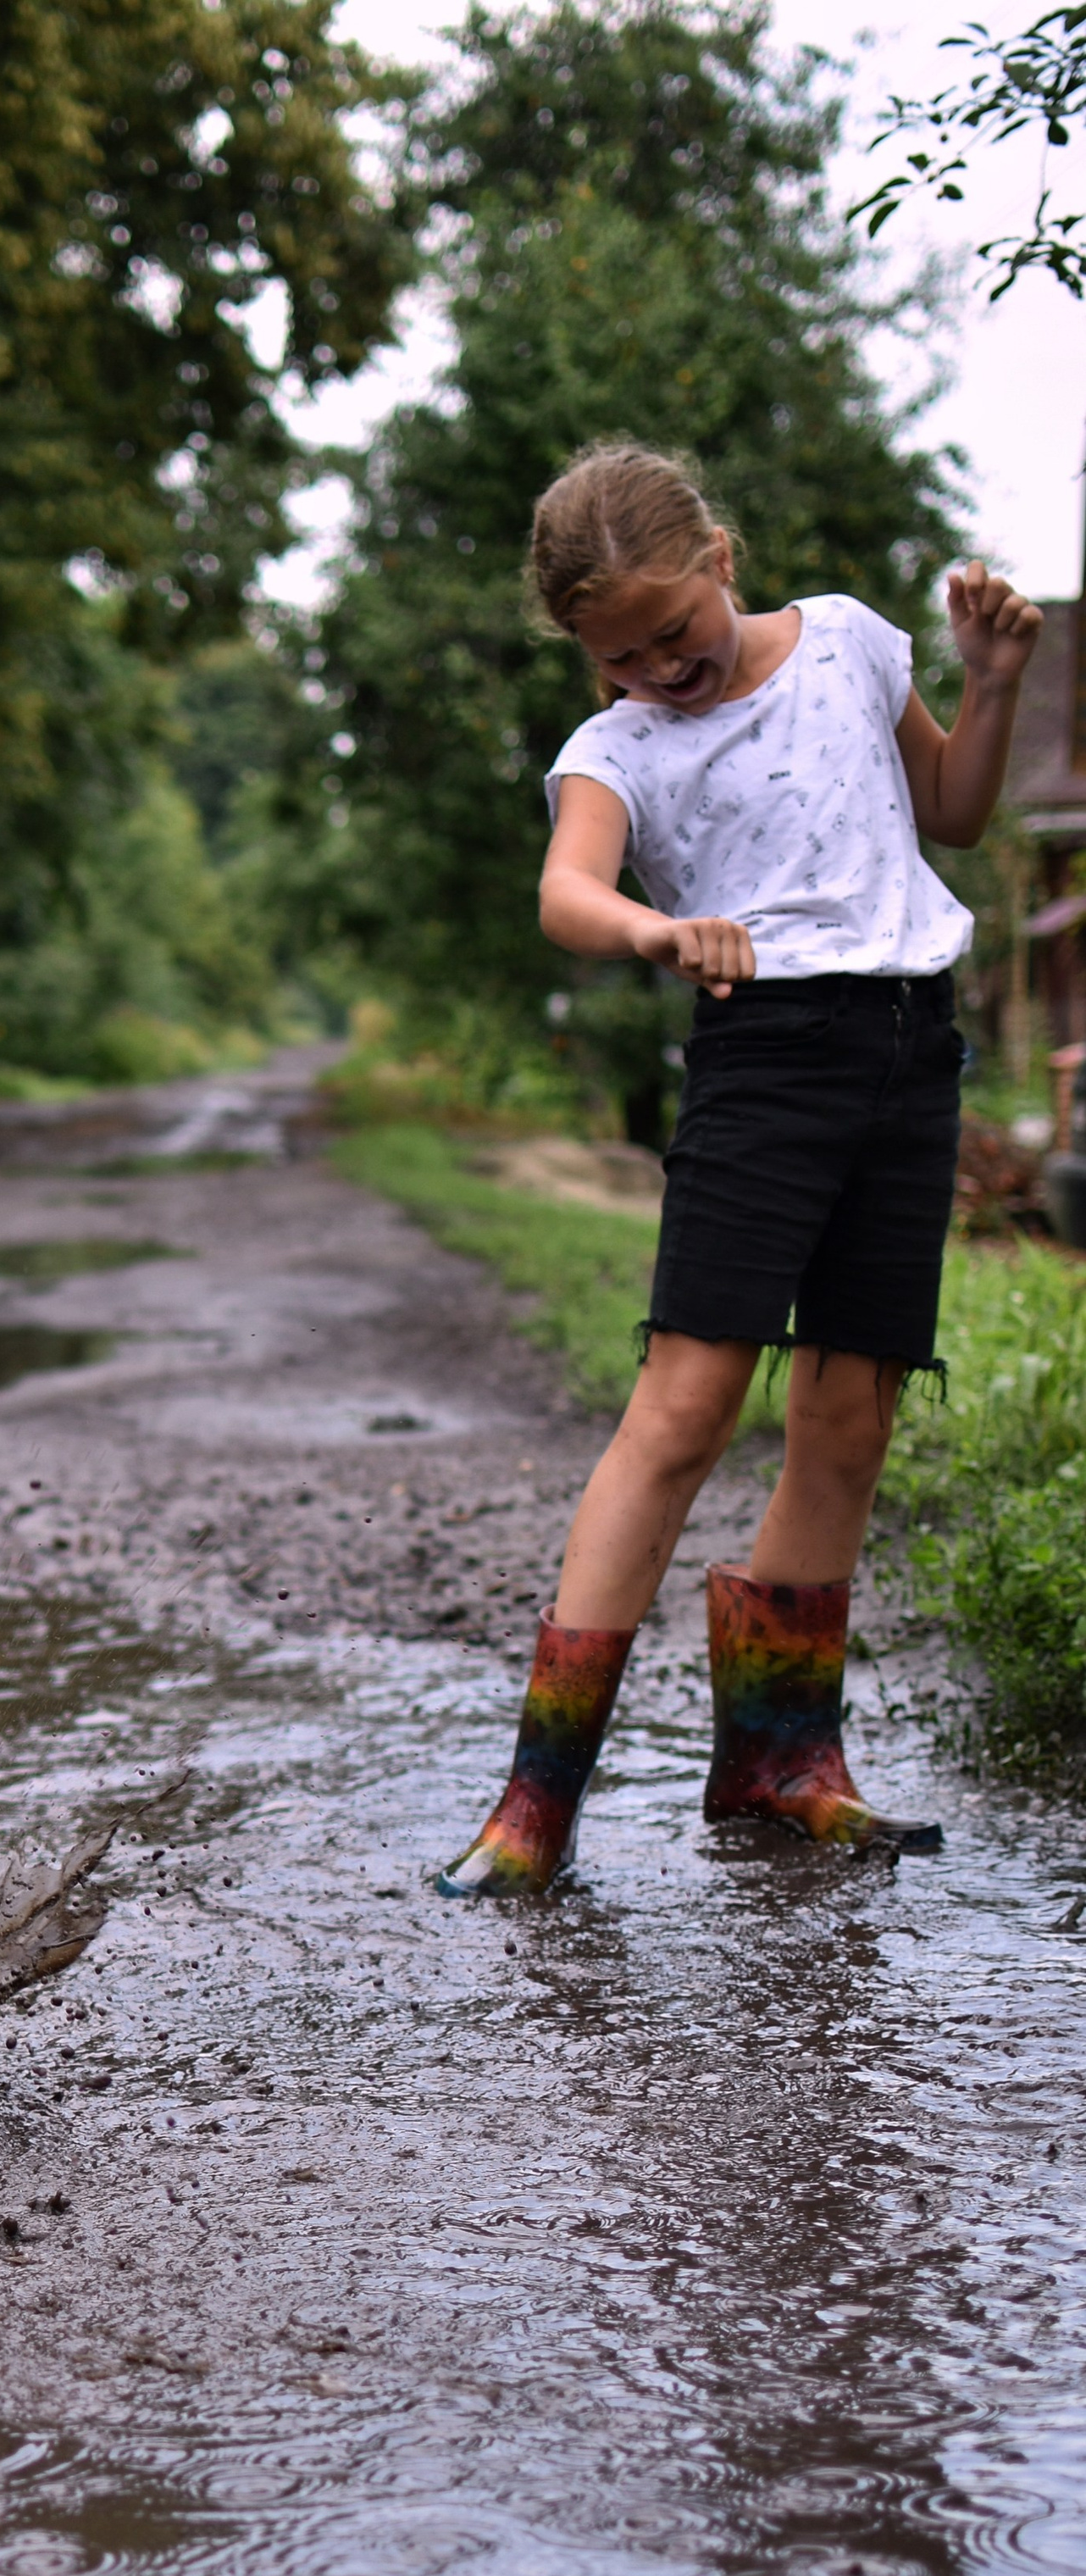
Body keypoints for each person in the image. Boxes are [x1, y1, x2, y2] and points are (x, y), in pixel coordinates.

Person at [440, 440, 1040, 1897]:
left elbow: (953, 814)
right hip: (761, 1059)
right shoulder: (617, 750)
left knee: (850, 1413)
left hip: (910, 1050)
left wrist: (990, 676)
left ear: (722, 557)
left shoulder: (847, 642)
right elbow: (570, 892)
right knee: (687, 1404)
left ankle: (780, 1755)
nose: (659, 669)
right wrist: (655, 930)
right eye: (622, 655)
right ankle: (536, 1802)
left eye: (674, 632)